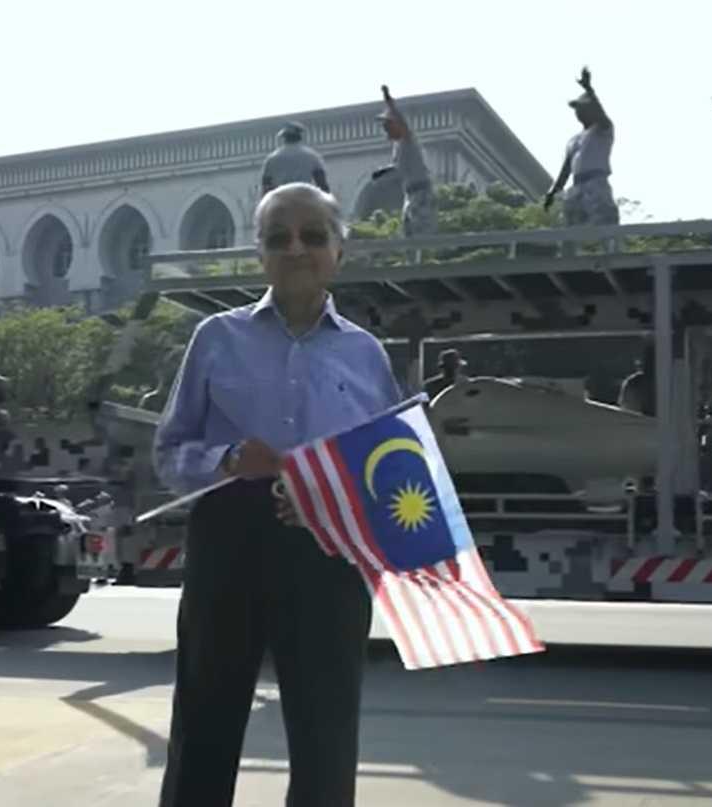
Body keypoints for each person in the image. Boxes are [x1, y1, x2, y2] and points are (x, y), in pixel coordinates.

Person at [153, 182, 403, 807]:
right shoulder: (216, 337)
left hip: (328, 550)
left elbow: (391, 468)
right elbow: (169, 451)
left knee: (326, 731)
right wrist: (228, 459)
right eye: (278, 237)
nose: (296, 248)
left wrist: (340, 496)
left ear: (339, 251)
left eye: (313, 235)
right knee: (205, 720)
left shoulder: (366, 354)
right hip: (228, 539)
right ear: (259, 253)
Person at [544, 67, 618, 228]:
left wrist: (589, 90)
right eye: (577, 109)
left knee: (604, 224)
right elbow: (566, 170)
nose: (578, 112)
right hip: (577, 185)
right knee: (570, 225)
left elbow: (601, 114)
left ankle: (610, 251)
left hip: (596, 182)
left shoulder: (602, 129)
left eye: (582, 108)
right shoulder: (573, 140)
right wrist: (554, 191)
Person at [371, 85, 436, 237]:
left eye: (388, 126)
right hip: (410, 193)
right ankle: (412, 259)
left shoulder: (408, 140)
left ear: (397, 126)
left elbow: (401, 119)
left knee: (419, 232)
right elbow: (399, 168)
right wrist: (382, 172)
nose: (385, 129)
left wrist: (388, 99)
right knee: (408, 232)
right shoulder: (398, 146)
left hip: (422, 192)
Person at [260, 123, 330, 197]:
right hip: (304, 195)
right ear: (299, 137)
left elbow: (266, 186)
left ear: (284, 138)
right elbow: (322, 184)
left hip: (280, 196)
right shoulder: (312, 156)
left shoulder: (271, 158)